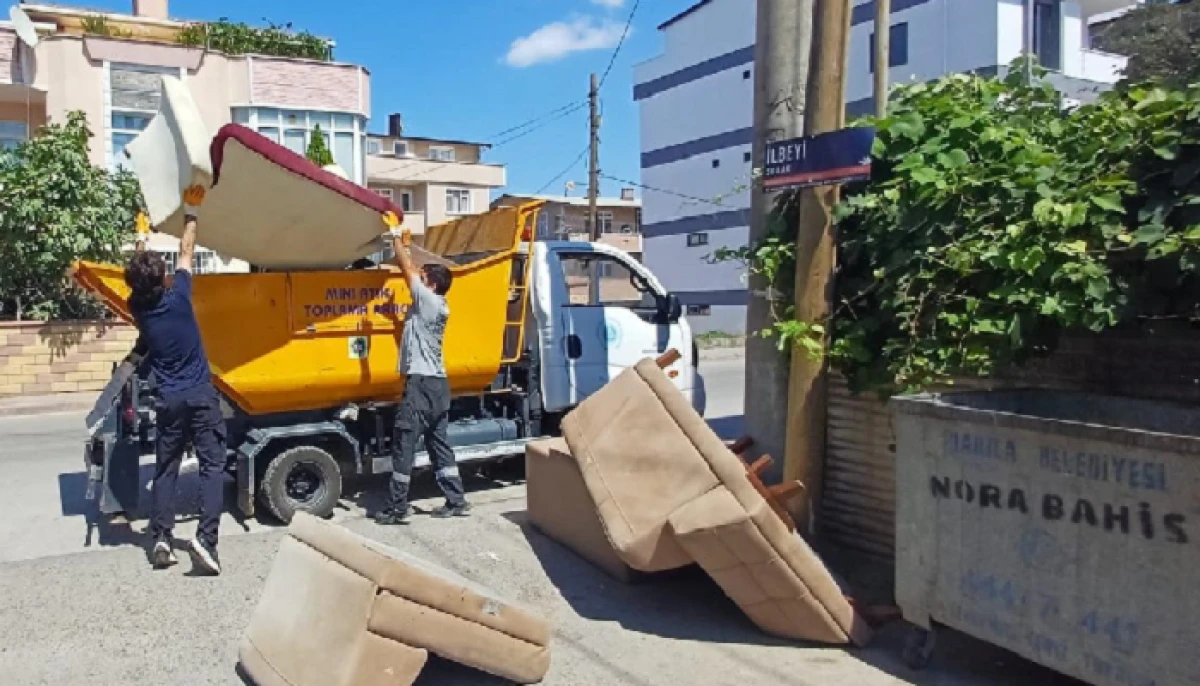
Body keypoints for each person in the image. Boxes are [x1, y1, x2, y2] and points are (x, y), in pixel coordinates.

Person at [126, 185, 225, 575]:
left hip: (168, 400)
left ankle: (162, 538)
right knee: (211, 467)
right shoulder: (180, 296)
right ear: (166, 279)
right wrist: (192, 209)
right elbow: (187, 250)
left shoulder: (139, 307)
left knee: (166, 468)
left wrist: (141, 238)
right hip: (200, 395)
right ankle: (206, 542)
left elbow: (142, 272)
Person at [375, 213, 471, 524]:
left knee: (405, 442)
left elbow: (407, 270)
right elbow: (415, 271)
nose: (419, 275)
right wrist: (408, 243)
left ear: (430, 283)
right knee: (437, 441)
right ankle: (456, 499)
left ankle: (396, 507)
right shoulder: (433, 306)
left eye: (423, 274)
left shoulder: (428, 301)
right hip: (437, 386)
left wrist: (394, 236)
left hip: (422, 386)